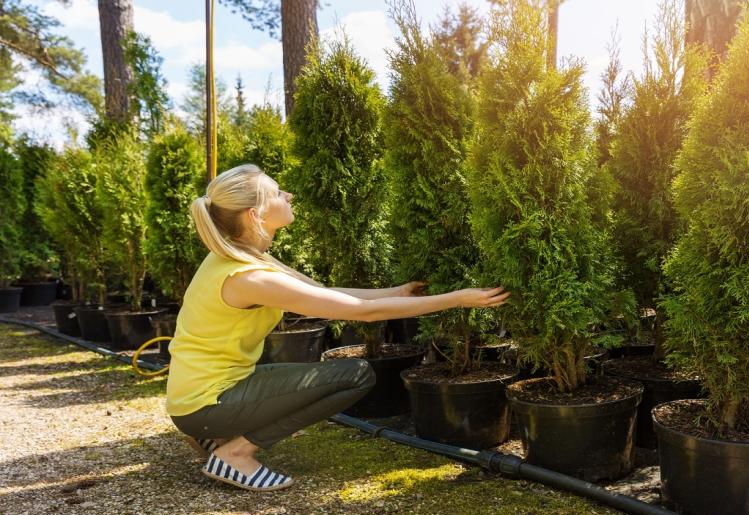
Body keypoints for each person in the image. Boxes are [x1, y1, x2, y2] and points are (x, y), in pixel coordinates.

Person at [166, 164, 509, 492]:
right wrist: (458, 299)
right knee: (356, 375)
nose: (288, 195)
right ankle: (235, 453)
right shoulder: (250, 277)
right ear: (255, 215)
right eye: (276, 192)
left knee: (318, 377)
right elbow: (364, 313)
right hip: (207, 403)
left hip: (200, 397)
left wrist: (397, 292)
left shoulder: (241, 256)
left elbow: (324, 294)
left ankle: (216, 435)